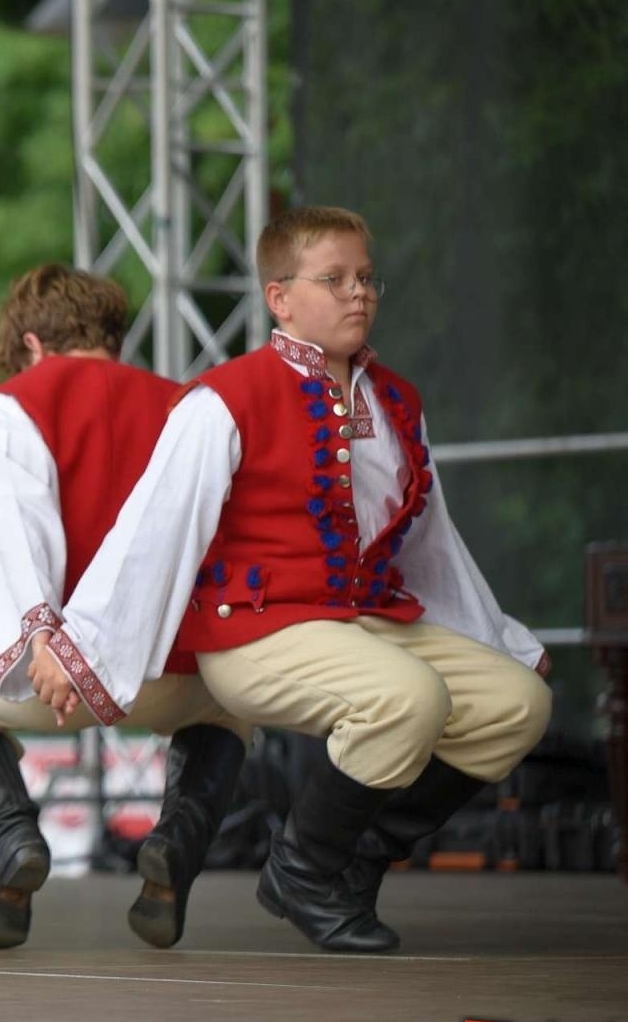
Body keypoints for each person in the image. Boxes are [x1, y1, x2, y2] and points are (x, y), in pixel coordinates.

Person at [29, 206, 551, 953]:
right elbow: (153, 529)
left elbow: (432, 543)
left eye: (366, 277)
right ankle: (300, 871)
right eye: (333, 279)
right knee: (407, 697)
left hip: (360, 621)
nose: (357, 294)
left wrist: (497, 640)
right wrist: (78, 644)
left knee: (516, 703)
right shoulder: (225, 398)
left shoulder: (397, 401)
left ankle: (354, 863)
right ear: (280, 298)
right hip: (256, 630)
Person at [0, 263, 250, 950]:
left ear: (33, 344)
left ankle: (13, 841)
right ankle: (173, 852)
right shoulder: (190, 403)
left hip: (50, 681)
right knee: (234, 706)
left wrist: (41, 641)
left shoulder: (20, 400)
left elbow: (17, 529)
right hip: (170, 677)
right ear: (115, 339)